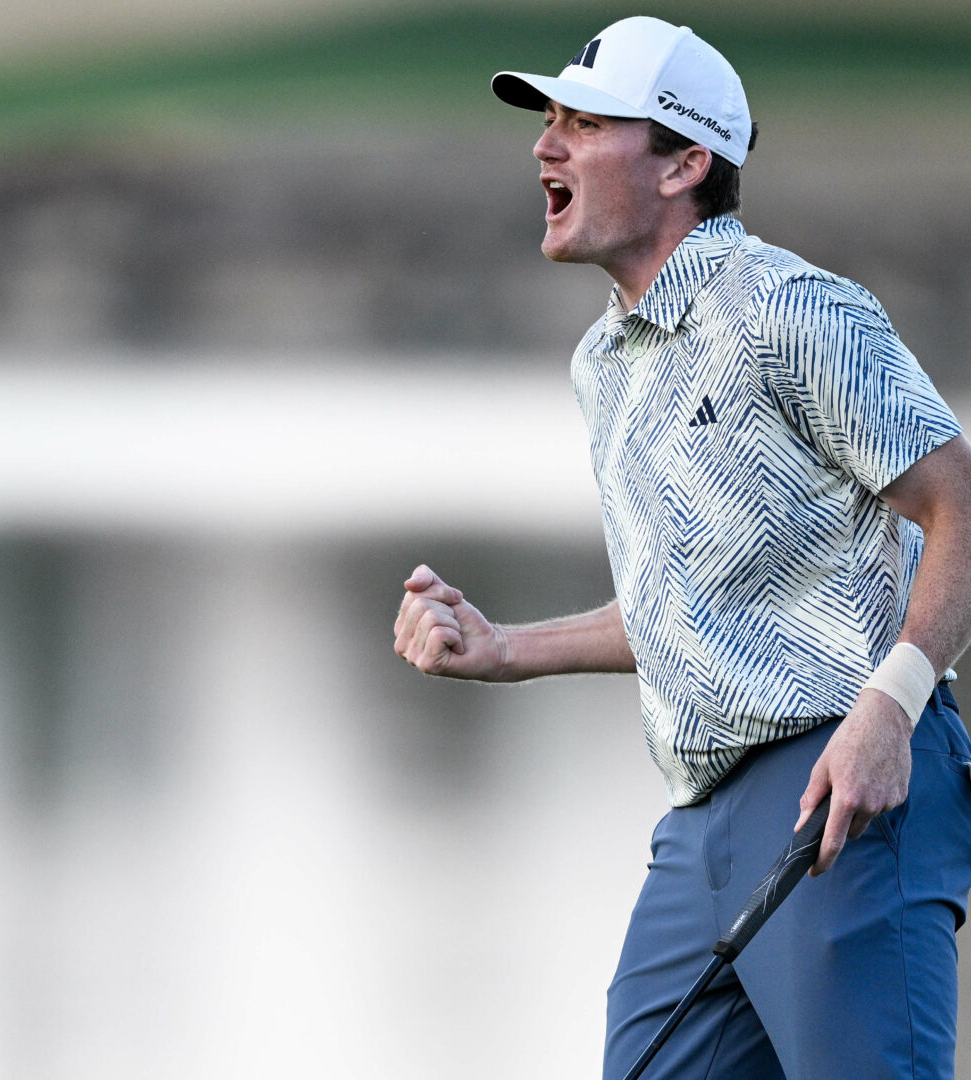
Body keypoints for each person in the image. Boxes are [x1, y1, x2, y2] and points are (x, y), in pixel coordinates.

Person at [391, 15, 971, 1079]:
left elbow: (960, 508)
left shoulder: (790, 310)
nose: (544, 146)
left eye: (585, 123)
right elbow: (683, 611)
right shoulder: (604, 364)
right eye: (549, 122)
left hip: (847, 788)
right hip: (700, 822)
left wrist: (890, 709)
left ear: (685, 162)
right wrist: (503, 646)